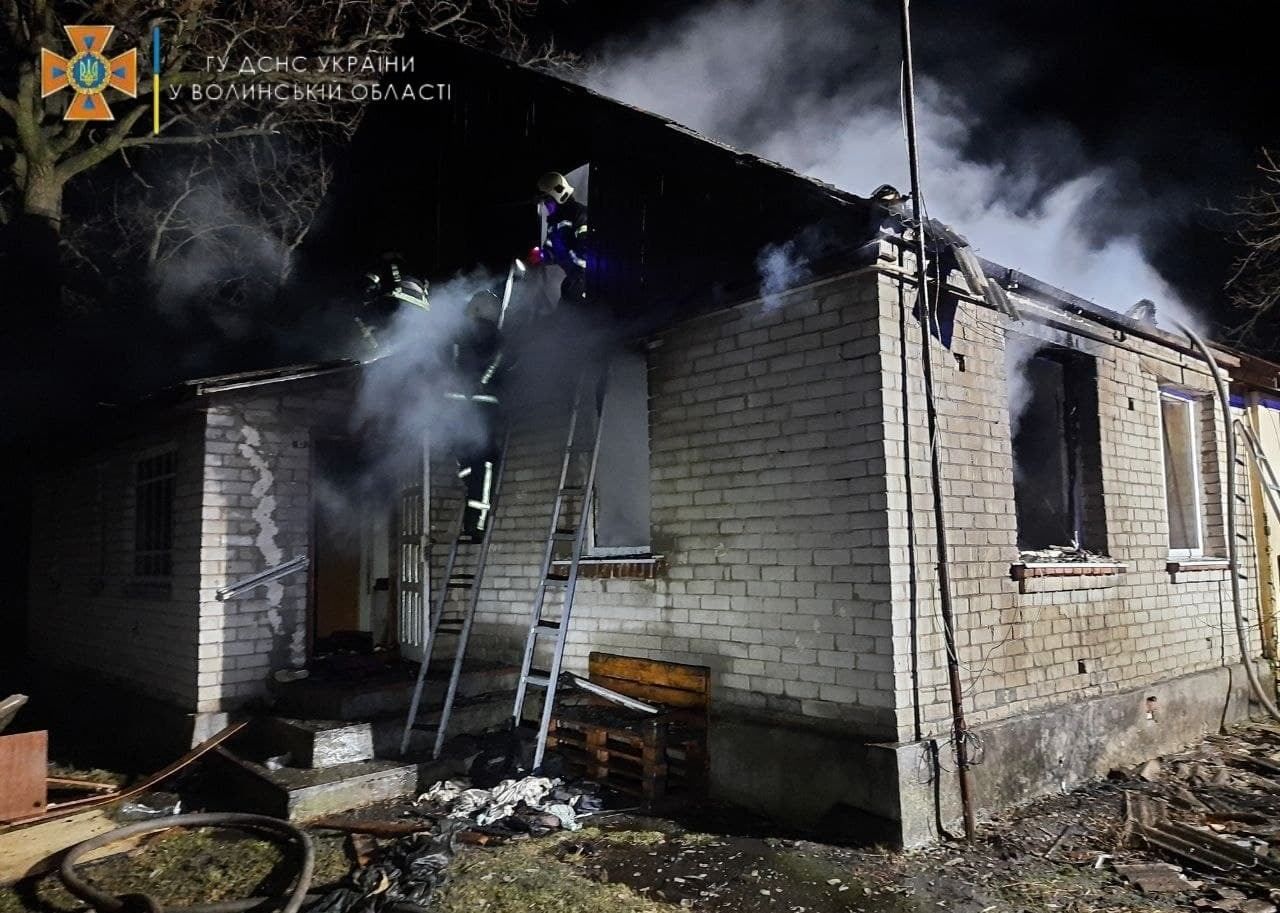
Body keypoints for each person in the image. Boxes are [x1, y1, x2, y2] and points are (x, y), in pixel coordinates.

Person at [447, 289, 507, 539]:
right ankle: (477, 524)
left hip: (457, 408)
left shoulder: (458, 335)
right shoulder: (499, 339)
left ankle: (472, 504)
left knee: (467, 460)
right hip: (483, 408)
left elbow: (448, 367)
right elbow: (503, 368)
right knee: (484, 464)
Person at [356, 253, 430, 350]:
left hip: (399, 299)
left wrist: (364, 300)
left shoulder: (385, 265)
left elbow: (370, 283)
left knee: (362, 316)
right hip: (422, 308)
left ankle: (379, 348)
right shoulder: (414, 269)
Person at [536, 171, 589, 305]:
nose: (546, 205)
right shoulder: (555, 221)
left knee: (568, 311)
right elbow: (551, 250)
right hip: (573, 280)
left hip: (585, 282)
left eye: (547, 199)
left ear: (558, 194)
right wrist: (538, 256)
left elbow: (585, 255)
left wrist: (575, 274)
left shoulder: (580, 215)